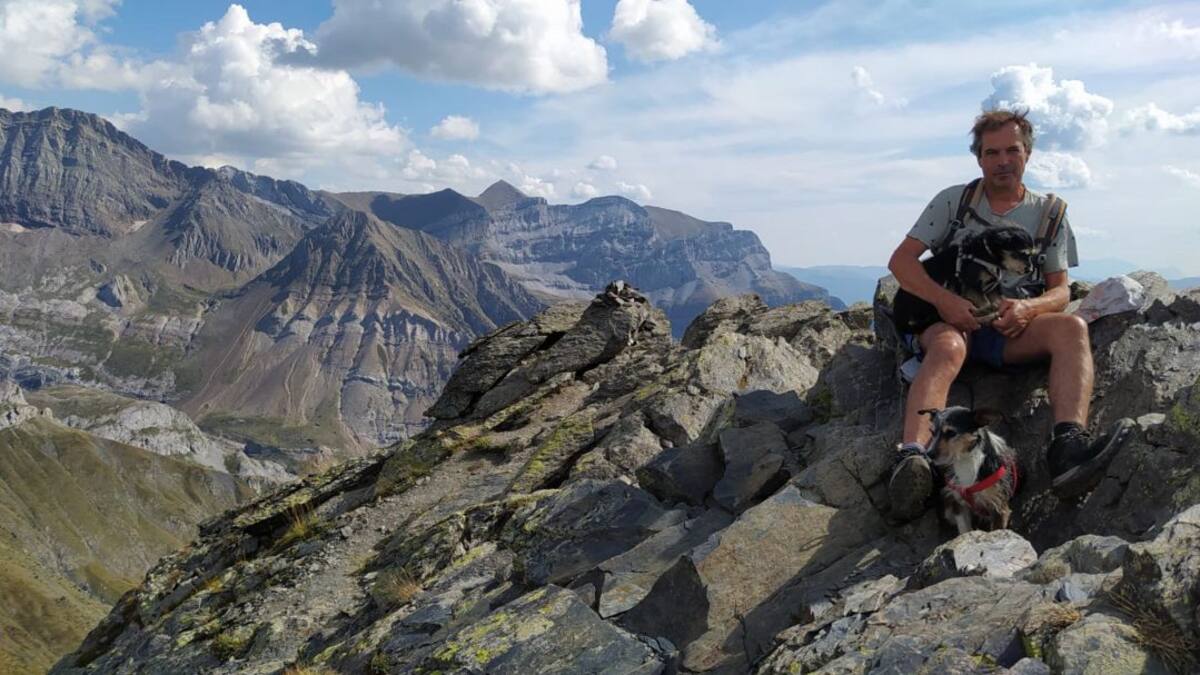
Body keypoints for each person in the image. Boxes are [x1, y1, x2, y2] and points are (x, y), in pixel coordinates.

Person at [886, 109, 1133, 521]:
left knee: (1071, 328)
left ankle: (1068, 449)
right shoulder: (954, 201)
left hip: (1006, 329)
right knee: (947, 346)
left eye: (1012, 151)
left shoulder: (1050, 213)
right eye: (992, 152)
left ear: (1027, 154)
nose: (1003, 161)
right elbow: (902, 262)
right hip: (949, 322)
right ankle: (913, 458)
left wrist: (1027, 308)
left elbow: (1061, 290)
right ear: (979, 158)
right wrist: (944, 301)